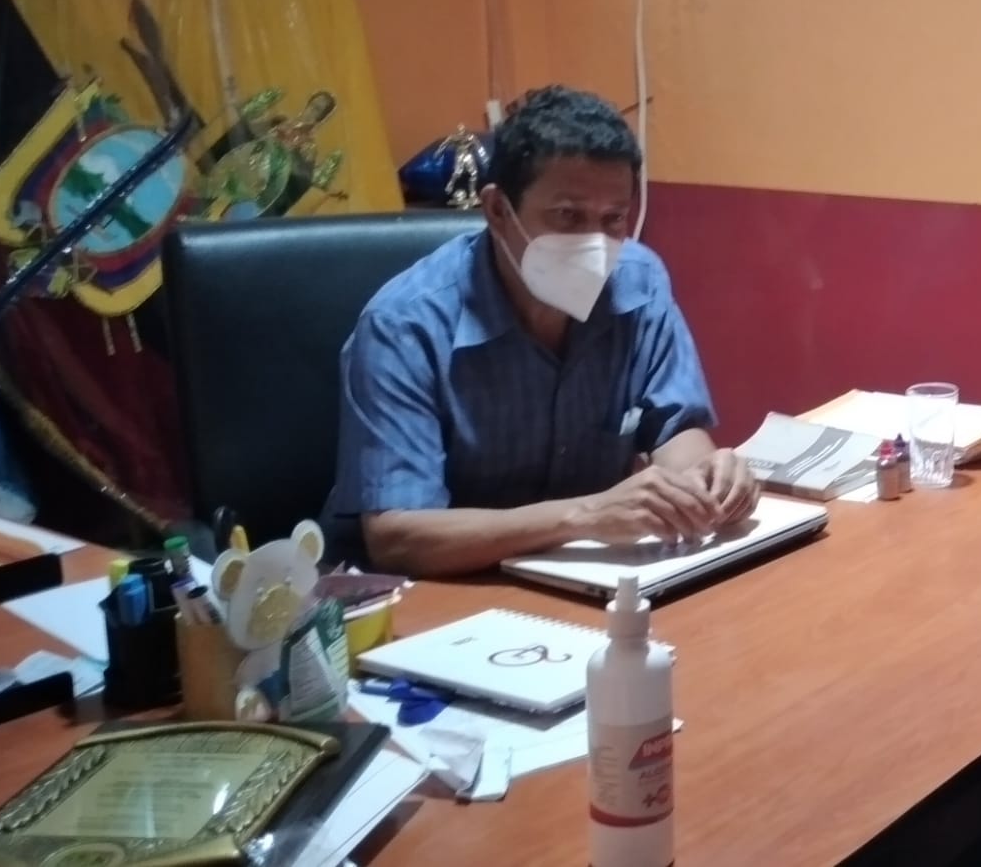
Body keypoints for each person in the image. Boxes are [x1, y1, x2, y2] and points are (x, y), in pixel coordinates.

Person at [323, 86, 759, 577]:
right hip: (432, 593)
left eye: (613, 219)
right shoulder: (404, 326)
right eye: (568, 216)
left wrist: (704, 481)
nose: (595, 243)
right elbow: (396, 538)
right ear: (497, 210)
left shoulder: (639, 283)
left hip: (581, 576)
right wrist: (586, 516)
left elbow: (675, 428)